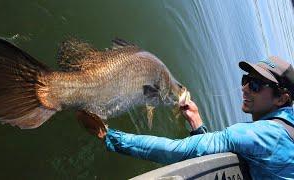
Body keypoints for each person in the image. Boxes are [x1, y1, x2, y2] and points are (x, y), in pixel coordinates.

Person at [80, 56, 294, 179]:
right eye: (246, 79)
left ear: (281, 98)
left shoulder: (262, 135)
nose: (245, 89)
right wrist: (197, 123)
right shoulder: (286, 129)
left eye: (256, 85)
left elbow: (177, 152)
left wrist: (110, 136)